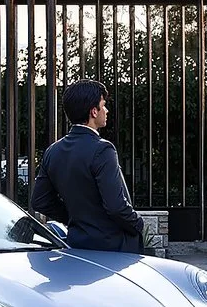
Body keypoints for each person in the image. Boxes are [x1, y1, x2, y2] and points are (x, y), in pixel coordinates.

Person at [29, 80, 147, 254]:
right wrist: (138, 223)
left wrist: (73, 218)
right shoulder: (103, 149)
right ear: (93, 111)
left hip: (76, 245)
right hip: (113, 248)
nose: (106, 111)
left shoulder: (52, 151)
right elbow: (116, 206)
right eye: (103, 106)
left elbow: (39, 201)